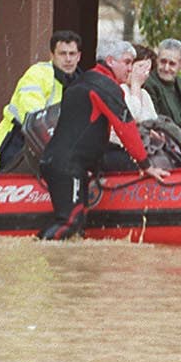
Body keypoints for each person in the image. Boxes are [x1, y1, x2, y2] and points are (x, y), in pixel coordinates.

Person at [38, 39, 169, 240]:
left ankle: (62, 268)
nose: (130, 68)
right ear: (110, 61)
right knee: (69, 222)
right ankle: (34, 262)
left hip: (64, 162)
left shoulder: (85, 80)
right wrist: (146, 165)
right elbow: (125, 127)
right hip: (68, 166)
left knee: (78, 226)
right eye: (126, 62)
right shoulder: (105, 86)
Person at [0, 30, 82, 173]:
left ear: (78, 56)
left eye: (72, 54)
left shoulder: (80, 82)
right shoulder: (38, 74)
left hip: (52, 148)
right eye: (62, 54)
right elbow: (34, 116)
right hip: (17, 142)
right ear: (52, 55)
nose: (68, 59)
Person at [144, 38, 181, 134]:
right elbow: (156, 124)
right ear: (157, 60)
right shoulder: (149, 84)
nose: (166, 68)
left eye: (172, 64)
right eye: (163, 62)